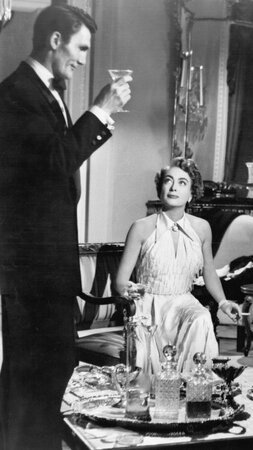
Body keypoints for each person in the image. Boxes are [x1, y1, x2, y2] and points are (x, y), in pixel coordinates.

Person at [0, 5, 131, 449]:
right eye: (81, 48)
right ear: (55, 40)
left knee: (48, 374)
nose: (82, 59)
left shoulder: (43, 91)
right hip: (30, 268)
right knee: (34, 376)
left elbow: (53, 165)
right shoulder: (16, 93)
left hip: (46, 265)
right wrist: (100, 110)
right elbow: (54, 163)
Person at [115, 158, 241, 374]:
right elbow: (120, 282)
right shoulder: (141, 228)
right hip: (149, 307)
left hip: (183, 303)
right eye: (168, 181)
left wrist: (223, 302)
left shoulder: (202, 228)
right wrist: (130, 290)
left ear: (191, 193)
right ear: (160, 189)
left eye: (182, 182)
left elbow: (209, 272)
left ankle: (194, 387)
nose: (174, 187)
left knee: (201, 318)